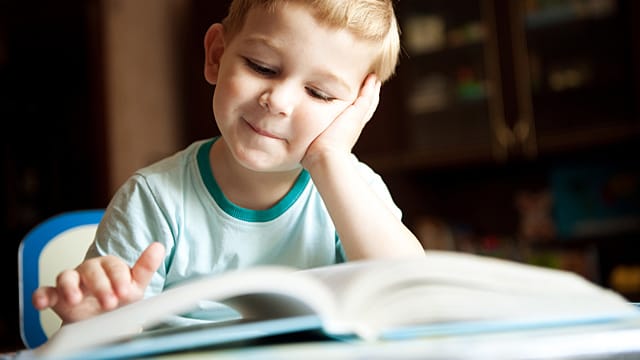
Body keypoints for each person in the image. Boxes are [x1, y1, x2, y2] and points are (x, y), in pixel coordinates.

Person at [32, 0, 425, 325]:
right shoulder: (153, 199)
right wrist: (89, 322)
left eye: (319, 93)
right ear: (217, 55)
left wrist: (328, 158)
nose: (279, 101)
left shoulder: (354, 192)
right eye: (262, 67)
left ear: (359, 108)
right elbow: (100, 335)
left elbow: (410, 299)